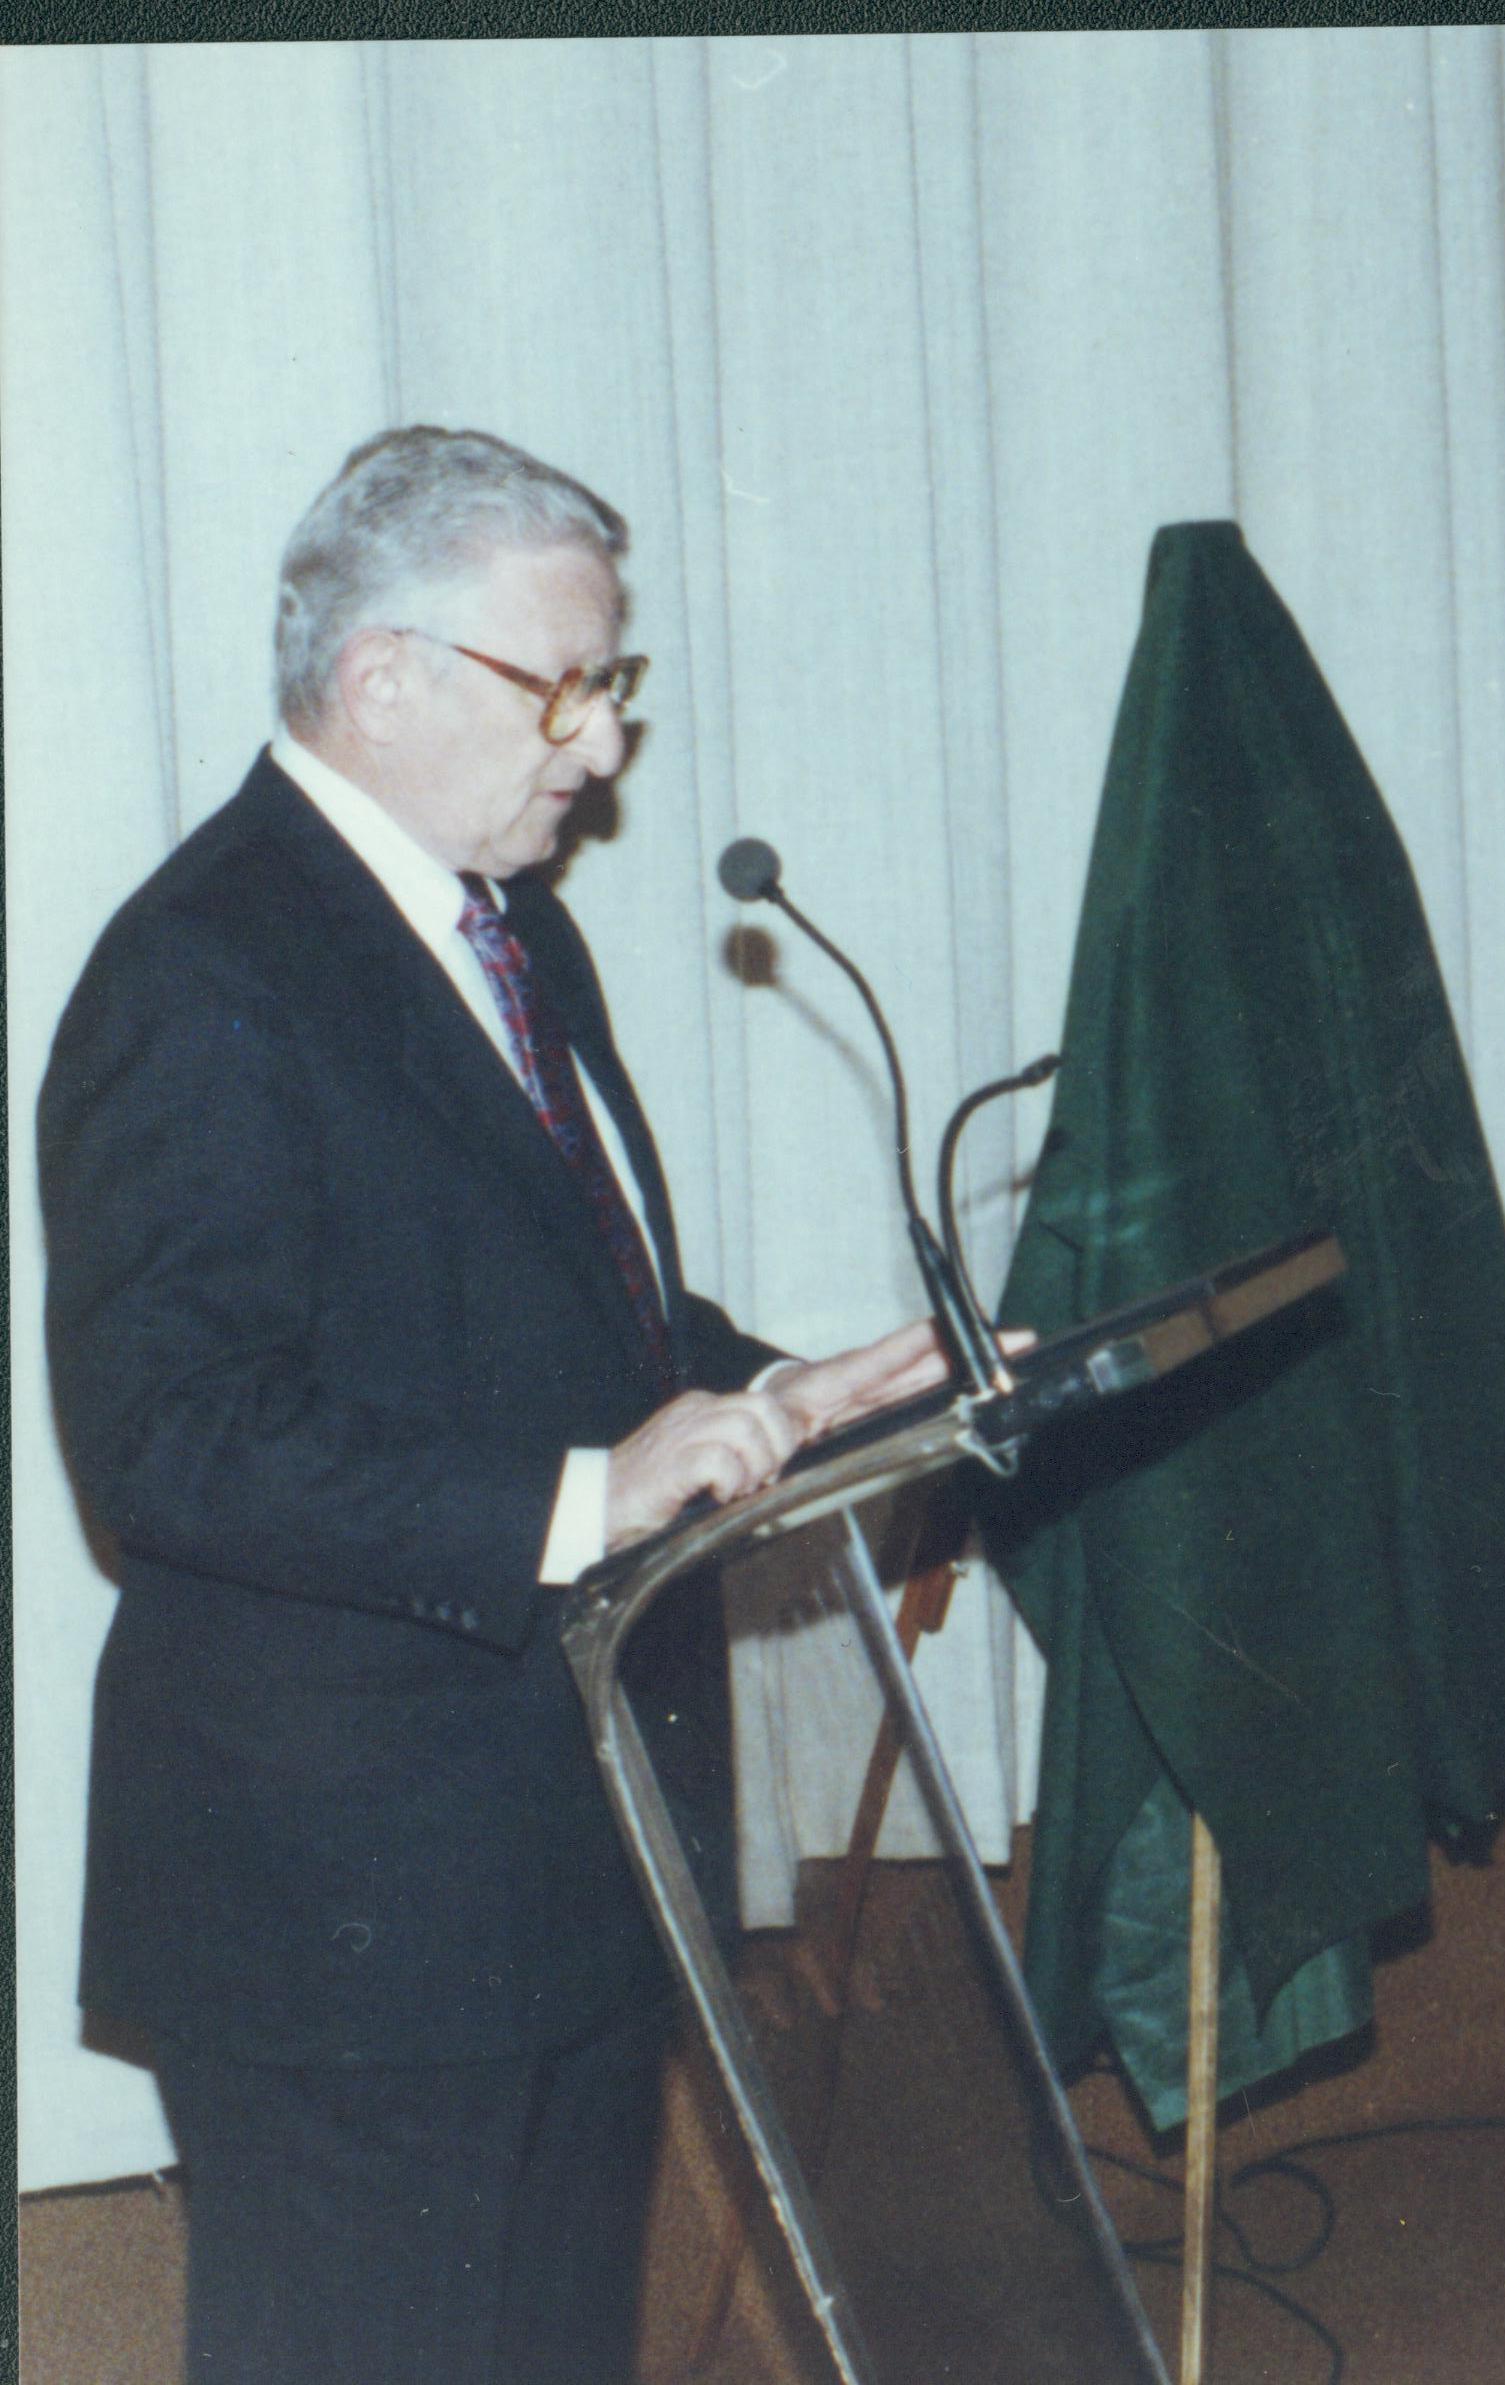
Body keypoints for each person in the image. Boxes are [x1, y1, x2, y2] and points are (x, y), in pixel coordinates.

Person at [38, 426, 958, 2385]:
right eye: (570, 687)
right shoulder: (197, 974)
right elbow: (170, 1433)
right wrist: (581, 1493)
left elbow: (565, 1314)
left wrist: (768, 1385)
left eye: (614, 686)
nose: (605, 746)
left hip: (567, 1839)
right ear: (380, 679)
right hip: (349, 1898)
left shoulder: (508, 925)